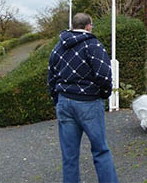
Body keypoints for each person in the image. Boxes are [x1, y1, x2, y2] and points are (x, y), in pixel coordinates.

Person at [47, 13, 118, 183]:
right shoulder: (93, 44)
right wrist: (104, 94)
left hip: (64, 100)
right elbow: (104, 75)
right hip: (88, 102)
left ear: (73, 26)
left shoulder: (58, 47)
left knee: (69, 155)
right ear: (88, 26)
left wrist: (57, 100)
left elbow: (51, 76)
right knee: (100, 150)